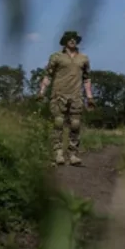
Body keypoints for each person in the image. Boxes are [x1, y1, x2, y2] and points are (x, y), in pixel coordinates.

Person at [38, 30, 94, 166]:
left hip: (76, 96)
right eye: (69, 38)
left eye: (74, 38)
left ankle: (73, 154)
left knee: (75, 124)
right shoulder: (56, 57)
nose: (72, 40)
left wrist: (89, 97)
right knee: (58, 123)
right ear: (65, 41)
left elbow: (86, 79)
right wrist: (41, 92)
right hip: (59, 94)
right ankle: (58, 153)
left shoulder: (84, 58)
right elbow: (48, 75)